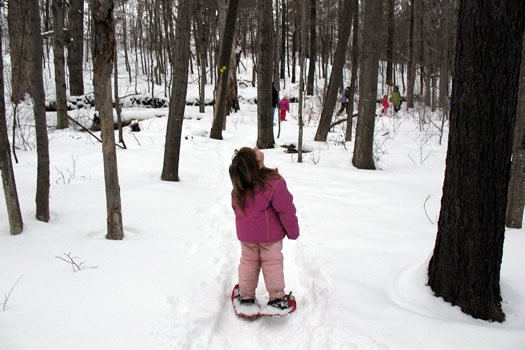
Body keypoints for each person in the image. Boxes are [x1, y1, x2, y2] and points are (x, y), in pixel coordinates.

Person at [229, 147, 300, 308]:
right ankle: (277, 298)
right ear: (258, 164)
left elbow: (237, 211)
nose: (256, 148)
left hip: (247, 237)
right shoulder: (273, 183)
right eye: (254, 152)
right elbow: (286, 209)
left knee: (248, 262)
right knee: (272, 264)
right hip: (270, 237)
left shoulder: (238, 186)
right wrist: (293, 231)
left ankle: (246, 297)